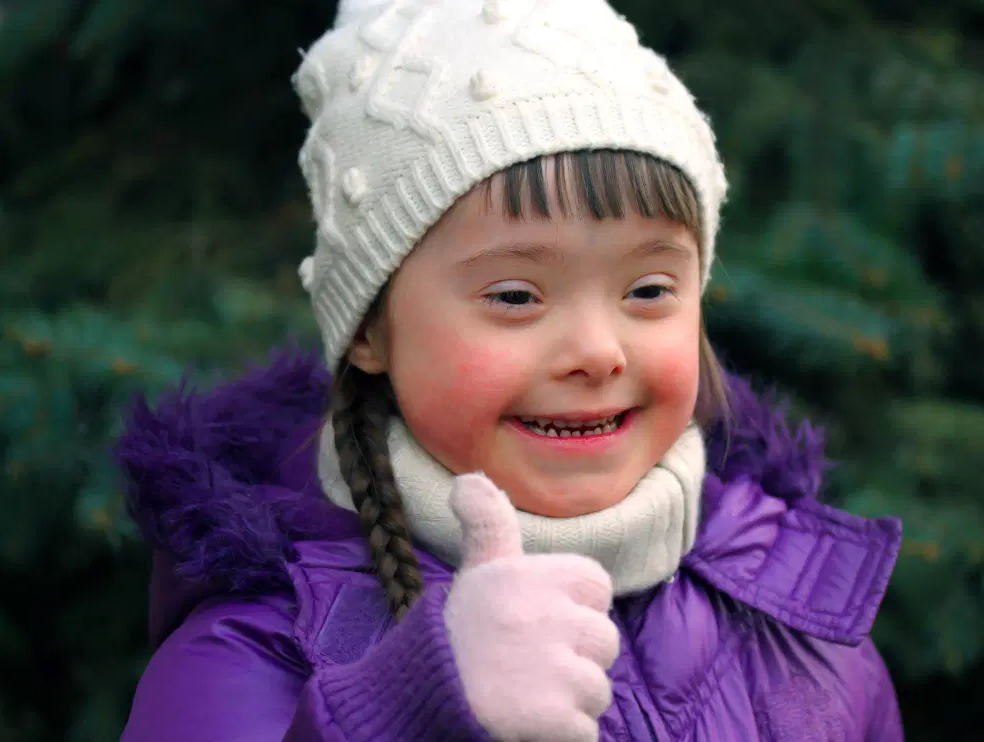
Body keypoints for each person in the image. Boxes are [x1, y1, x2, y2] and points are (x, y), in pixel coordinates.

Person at [116, 0, 906, 739]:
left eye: (648, 289)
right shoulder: (261, 645)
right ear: (370, 333)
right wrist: (411, 710)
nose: (599, 350)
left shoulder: (801, 623)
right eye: (517, 295)